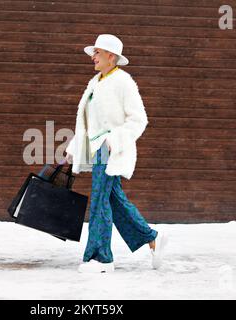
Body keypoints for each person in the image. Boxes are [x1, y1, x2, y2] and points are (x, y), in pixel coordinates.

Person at [65, 34, 168, 273]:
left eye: (98, 52)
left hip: (110, 150)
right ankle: (152, 238)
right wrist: (73, 148)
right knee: (112, 199)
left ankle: (101, 259)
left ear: (111, 56)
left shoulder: (124, 82)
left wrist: (115, 140)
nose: (93, 57)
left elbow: (139, 120)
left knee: (100, 199)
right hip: (96, 149)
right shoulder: (95, 82)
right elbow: (88, 123)